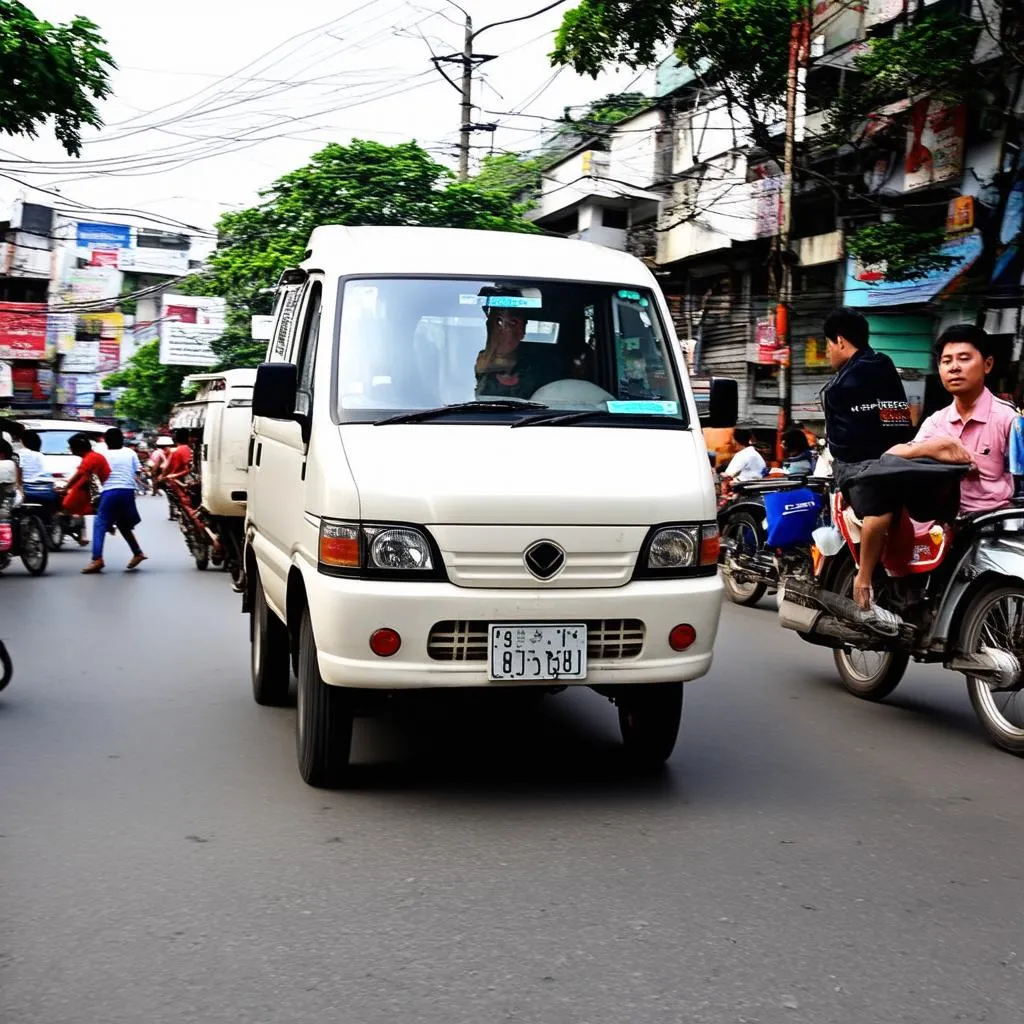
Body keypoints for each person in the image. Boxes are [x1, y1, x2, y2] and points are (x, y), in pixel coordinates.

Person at [820, 308, 913, 614]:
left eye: (828, 346)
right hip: (901, 459)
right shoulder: (884, 364)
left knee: (878, 513)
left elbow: (844, 446)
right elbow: (898, 420)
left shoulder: (836, 388)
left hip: (865, 468)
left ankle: (864, 577)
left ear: (841, 341)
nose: (828, 353)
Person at [886, 324, 1017, 515]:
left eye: (964, 359)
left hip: (991, 525)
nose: (954, 367)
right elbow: (889, 457)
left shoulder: (1009, 420)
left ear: (987, 365)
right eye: (946, 361)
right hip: (941, 524)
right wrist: (934, 448)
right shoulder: (936, 422)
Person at [82, 428, 146, 574]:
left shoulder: (102, 454)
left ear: (106, 441)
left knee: (99, 524)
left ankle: (97, 559)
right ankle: (137, 553)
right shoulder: (130, 452)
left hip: (110, 491)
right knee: (123, 525)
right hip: (128, 491)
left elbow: (93, 474)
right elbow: (137, 472)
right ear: (122, 440)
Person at [474, 309, 543, 399]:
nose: (505, 329)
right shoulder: (470, 367)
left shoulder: (536, 370)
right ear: (488, 327)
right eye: (498, 322)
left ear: (523, 331)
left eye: (513, 323)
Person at [61, 435, 109, 547]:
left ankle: (80, 532)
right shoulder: (93, 456)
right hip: (91, 488)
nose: (70, 449)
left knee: (66, 505)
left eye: (71, 447)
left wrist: (67, 487)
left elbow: (79, 474)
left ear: (77, 448)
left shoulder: (90, 458)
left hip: (88, 489)